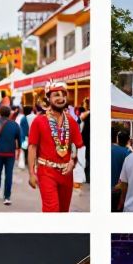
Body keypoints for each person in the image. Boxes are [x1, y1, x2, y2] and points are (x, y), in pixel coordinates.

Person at [27, 82, 84, 212]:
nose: (61, 98)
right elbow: (32, 148)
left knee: (64, 211)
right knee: (52, 209)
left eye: (63, 95)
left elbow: (75, 146)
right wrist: (31, 173)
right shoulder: (38, 121)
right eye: (56, 95)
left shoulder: (71, 121)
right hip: (46, 171)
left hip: (66, 174)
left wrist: (72, 162)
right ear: (48, 98)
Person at [0, 105, 22, 206]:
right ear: (9, 114)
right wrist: (18, 151)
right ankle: (7, 197)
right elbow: (19, 140)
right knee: (9, 174)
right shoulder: (15, 125)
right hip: (10, 153)